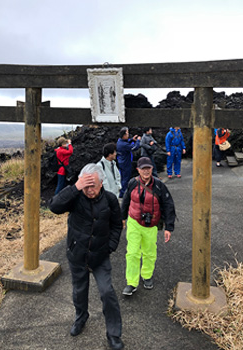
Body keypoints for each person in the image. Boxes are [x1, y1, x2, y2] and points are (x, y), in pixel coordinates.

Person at [48, 164, 124, 350]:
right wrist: (75, 187)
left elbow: (117, 225)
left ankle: (114, 334)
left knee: (107, 292)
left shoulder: (110, 199)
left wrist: (110, 247)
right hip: (77, 254)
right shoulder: (75, 197)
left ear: (101, 183)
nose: (90, 190)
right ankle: (81, 317)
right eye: (86, 186)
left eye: (94, 185)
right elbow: (54, 206)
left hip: (100, 255)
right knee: (79, 292)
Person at [121, 157, 176, 296]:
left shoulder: (159, 185)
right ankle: (131, 282)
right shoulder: (133, 183)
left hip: (151, 224)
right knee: (132, 253)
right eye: (143, 168)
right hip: (133, 222)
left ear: (152, 169)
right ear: (138, 170)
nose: (146, 171)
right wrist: (122, 218)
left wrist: (169, 227)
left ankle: (147, 275)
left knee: (149, 252)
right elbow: (126, 200)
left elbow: (169, 205)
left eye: (148, 168)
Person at [116, 127, 140, 198]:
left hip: (122, 161)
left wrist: (132, 139)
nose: (128, 135)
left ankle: (123, 192)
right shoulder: (123, 145)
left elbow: (127, 141)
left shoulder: (120, 141)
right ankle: (123, 193)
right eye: (127, 133)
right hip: (125, 163)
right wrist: (137, 141)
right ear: (124, 135)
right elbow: (134, 147)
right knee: (125, 178)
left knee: (123, 177)